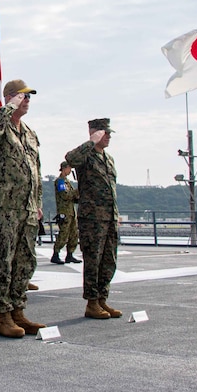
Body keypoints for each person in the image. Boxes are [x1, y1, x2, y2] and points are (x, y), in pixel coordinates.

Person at [0, 80, 45, 337]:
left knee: (25, 262)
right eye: (23, 95)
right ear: (10, 98)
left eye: (29, 96)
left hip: (27, 209)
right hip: (4, 207)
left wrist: (38, 203)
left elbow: (36, 171)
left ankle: (19, 311)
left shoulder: (29, 133)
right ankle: (3, 317)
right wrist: (8, 107)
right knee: (4, 262)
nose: (27, 99)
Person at [65, 118, 121, 319]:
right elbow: (70, 158)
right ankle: (92, 303)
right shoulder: (86, 156)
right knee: (93, 261)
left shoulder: (108, 158)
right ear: (95, 133)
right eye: (105, 133)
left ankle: (102, 300)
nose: (109, 137)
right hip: (92, 219)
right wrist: (91, 141)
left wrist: (116, 214)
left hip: (110, 218)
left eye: (109, 134)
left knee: (109, 261)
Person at [51, 162, 80, 265]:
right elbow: (65, 195)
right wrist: (77, 191)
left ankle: (70, 255)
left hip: (71, 211)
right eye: (69, 169)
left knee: (74, 234)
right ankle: (56, 253)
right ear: (64, 168)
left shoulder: (67, 182)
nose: (70, 171)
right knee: (64, 233)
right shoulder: (60, 182)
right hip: (64, 212)